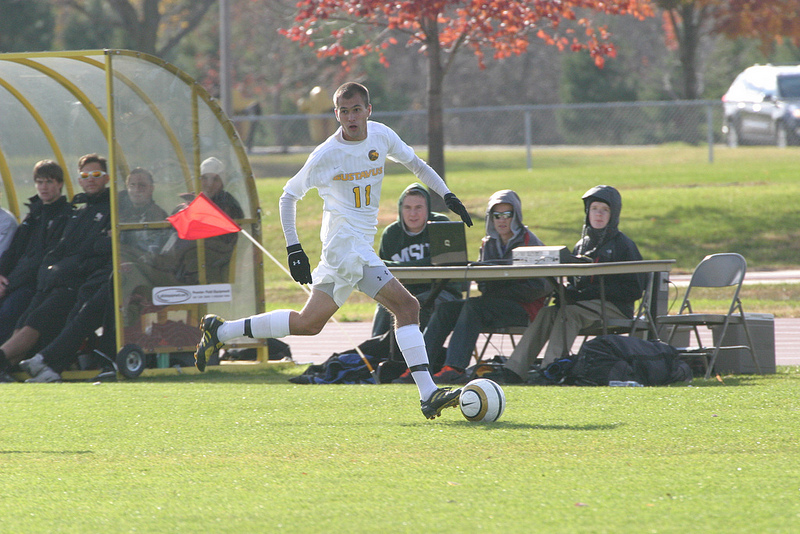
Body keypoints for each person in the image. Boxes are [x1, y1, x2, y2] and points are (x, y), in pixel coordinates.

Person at [194, 82, 474, 420]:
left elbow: (416, 164)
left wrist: (447, 195)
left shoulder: (381, 136)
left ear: (369, 110)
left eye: (357, 110)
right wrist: (294, 248)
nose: (351, 117)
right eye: (344, 111)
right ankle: (428, 393)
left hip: (352, 248)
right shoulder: (327, 154)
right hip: (346, 247)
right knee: (408, 306)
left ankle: (220, 330)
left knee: (309, 323)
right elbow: (288, 196)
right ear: (335, 114)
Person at [21, 168, 170, 383]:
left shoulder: (157, 215)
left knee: (98, 301)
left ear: (152, 189)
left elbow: (153, 256)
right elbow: (99, 244)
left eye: (142, 185)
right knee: (84, 304)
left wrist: (119, 244)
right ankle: (55, 365)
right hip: (119, 272)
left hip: (143, 277)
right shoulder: (120, 214)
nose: (137, 190)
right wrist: (116, 244)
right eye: (132, 186)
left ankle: (50, 360)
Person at [496, 184, 645, 384]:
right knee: (547, 312)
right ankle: (514, 370)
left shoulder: (624, 245)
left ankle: (551, 370)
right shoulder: (581, 244)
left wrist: (588, 293)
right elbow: (577, 282)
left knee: (569, 314)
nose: (598, 214)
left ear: (614, 214)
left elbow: (634, 289)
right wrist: (568, 292)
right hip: (586, 306)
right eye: (594, 209)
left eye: (604, 210)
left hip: (615, 308)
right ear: (587, 212)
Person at [407, 190, 553, 385]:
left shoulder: (530, 242)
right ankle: (418, 368)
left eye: (507, 215)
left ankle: (454, 368)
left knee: (474, 307)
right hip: (492, 305)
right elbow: (483, 284)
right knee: (446, 309)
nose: (502, 220)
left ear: (516, 215)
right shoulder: (487, 244)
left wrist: (501, 287)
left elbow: (540, 287)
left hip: (525, 309)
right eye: (496, 215)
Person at [0, 154, 112, 382]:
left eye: (96, 175)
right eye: (85, 175)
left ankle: (31, 361)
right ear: (79, 180)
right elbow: (52, 251)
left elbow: (97, 248)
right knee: (25, 318)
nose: (90, 179)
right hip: (51, 279)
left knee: (29, 315)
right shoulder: (72, 212)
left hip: (74, 281)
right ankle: (10, 367)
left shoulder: (96, 210)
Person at [371, 183, 462, 337]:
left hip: (443, 291)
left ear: (428, 208)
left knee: (417, 305)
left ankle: (417, 355)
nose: (413, 213)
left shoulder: (442, 225)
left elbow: (443, 262)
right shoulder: (391, 234)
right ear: (400, 209)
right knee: (385, 306)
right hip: (406, 291)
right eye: (407, 208)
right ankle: (375, 353)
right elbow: (383, 276)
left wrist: (395, 266)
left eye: (418, 207)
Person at [0, 160, 72, 350]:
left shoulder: (66, 216)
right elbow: (14, 252)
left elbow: (44, 258)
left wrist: (9, 285)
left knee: (9, 311)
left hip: (36, 284)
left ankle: (6, 364)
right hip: (14, 281)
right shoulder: (33, 216)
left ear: (60, 184)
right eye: (39, 182)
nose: (43, 187)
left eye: (48, 182)